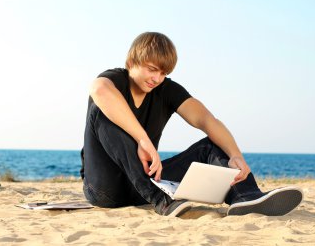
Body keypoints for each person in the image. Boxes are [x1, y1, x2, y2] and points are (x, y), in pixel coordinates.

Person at [80, 32, 303, 217]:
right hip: (104, 189)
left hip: (142, 185)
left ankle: (246, 197)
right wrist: (142, 139)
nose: (156, 78)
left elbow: (206, 120)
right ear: (132, 62)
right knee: (100, 111)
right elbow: (99, 89)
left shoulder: (165, 90)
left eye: (163, 72)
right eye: (151, 69)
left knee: (211, 145)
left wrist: (236, 155)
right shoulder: (115, 80)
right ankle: (161, 200)